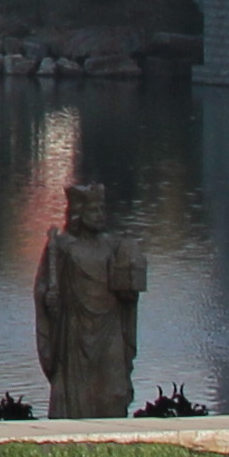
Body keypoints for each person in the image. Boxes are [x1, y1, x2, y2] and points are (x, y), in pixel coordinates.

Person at [31, 178, 147, 420]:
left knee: (114, 392)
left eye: (102, 209)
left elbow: (128, 284)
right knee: (78, 393)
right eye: (94, 210)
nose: (100, 215)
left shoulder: (112, 245)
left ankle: (113, 432)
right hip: (75, 330)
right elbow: (43, 285)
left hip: (110, 327)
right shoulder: (62, 246)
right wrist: (48, 297)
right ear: (78, 213)